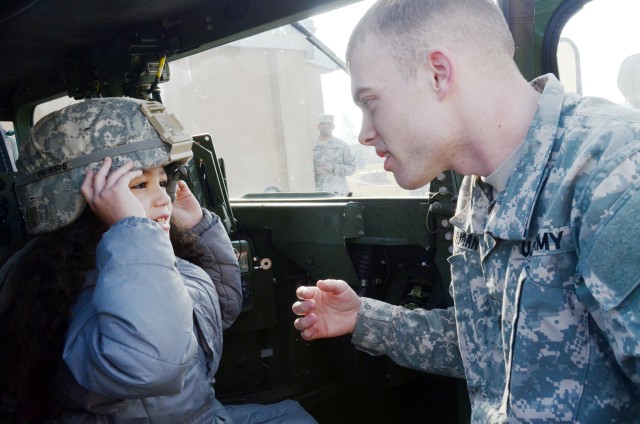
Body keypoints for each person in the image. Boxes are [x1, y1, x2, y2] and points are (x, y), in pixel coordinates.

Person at [292, 0, 640, 422]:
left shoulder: (616, 172)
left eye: (370, 101)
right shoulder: (477, 189)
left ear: (438, 74)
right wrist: (366, 317)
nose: (364, 134)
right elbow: (488, 344)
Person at [0, 97, 317, 423]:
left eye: (162, 182)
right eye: (138, 185)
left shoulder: (141, 262)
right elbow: (150, 365)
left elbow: (214, 316)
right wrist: (133, 230)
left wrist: (199, 231)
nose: (162, 199)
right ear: (80, 202)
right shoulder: (76, 291)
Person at [312, 113, 356, 196]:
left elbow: (352, 168)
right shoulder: (312, 146)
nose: (326, 127)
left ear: (333, 127)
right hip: (318, 193)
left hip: (339, 192)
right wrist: (314, 170)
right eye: (323, 124)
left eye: (328, 124)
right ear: (318, 126)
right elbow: (303, 168)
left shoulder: (342, 145)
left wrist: (334, 168)